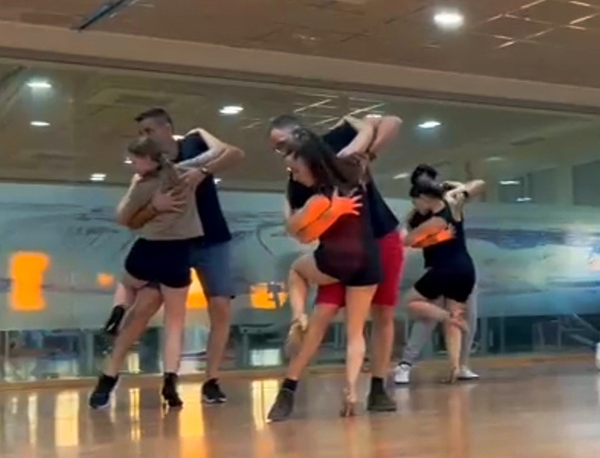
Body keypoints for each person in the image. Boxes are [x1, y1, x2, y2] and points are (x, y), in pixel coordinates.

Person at [267, 112, 403, 420]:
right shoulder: (298, 179)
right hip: (342, 252)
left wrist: (366, 155)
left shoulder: (338, 152)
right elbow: (300, 231)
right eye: (276, 148)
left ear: (300, 133)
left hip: (378, 240)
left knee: (382, 314)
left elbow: (391, 122)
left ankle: (376, 387)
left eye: (282, 143)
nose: (280, 151)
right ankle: (290, 387)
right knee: (322, 317)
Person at [107, 108, 244, 404]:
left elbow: (233, 153)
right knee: (145, 307)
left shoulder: (194, 145)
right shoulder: (148, 172)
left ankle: (211, 380)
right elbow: (130, 218)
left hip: (213, 239)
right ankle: (110, 372)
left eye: (149, 131)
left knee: (220, 308)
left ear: (167, 128)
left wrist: (204, 172)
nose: (145, 137)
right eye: (141, 133)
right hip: (173, 245)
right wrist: (155, 206)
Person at [89, 135, 222, 408]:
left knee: (128, 284)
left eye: (135, 160)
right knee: (175, 322)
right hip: (178, 253)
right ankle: (170, 381)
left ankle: (117, 313)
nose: (132, 165)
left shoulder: (143, 184)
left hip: (149, 247)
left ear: (148, 160)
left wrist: (141, 196)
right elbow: (220, 151)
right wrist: (203, 155)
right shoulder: (185, 173)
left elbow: (123, 217)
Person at [395, 166, 479, 385]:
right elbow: (407, 237)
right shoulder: (426, 211)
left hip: (447, 269)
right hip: (454, 268)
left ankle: (458, 366)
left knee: (452, 316)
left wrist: (457, 189)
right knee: (439, 318)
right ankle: (413, 364)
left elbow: (476, 185)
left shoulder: (449, 203)